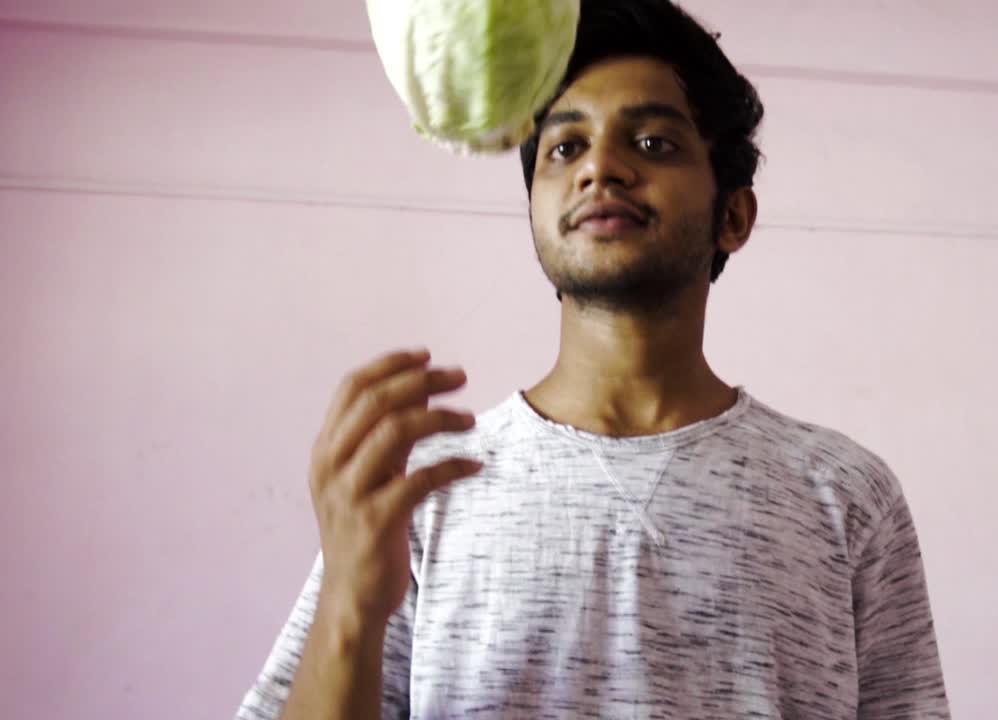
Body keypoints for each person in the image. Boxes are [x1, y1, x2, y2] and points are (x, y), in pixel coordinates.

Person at [237, 1, 950, 718]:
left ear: (733, 216)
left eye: (652, 143)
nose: (601, 167)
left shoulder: (848, 496)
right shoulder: (421, 492)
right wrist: (350, 607)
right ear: (536, 209)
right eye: (565, 148)